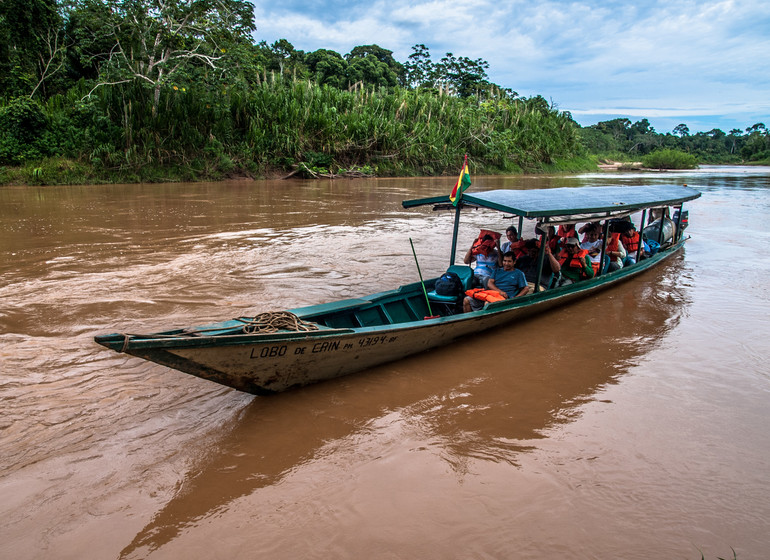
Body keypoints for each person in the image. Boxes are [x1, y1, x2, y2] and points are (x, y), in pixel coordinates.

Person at [464, 252, 528, 312]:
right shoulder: (497, 271)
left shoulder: (519, 273)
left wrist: (516, 298)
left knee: (487, 304)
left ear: (514, 262)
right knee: (466, 300)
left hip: (505, 298)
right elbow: (490, 283)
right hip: (492, 294)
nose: (506, 263)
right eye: (504, 261)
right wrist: (500, 292)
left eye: (509, 261)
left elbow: (526, 288)